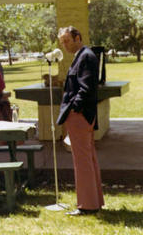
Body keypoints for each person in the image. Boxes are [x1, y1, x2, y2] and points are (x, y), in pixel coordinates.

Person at [56, 26, 104, 216]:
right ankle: (94, 201)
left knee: (82, 161)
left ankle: (87, 206)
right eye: (62, 42)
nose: (65, 45)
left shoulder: (86, 56)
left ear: (78, 37)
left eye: (67, 41)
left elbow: (86, 88)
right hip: (83, 115)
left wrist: (75, 109)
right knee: (88, 159)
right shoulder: (84, 55)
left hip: (80, 116)